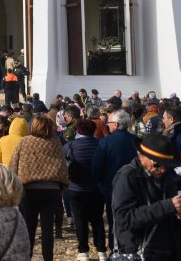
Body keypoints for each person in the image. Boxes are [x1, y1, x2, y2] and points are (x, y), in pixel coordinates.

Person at [111, 133, 181, 260]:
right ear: (141, 156)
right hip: (142, 251)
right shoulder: (127, 177)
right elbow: (124, 218)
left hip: (167, 250)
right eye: (157, 164)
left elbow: (172, 218)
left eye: (166, 165)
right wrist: (168, 206)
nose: (163, 169)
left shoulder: (167, 178)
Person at [9, 116, 68, 261]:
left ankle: (27, 257)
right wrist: (62, 185)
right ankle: (48, 259)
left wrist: (13, 187)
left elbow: (13, 164)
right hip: (52, 190)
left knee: (29, 227)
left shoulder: (25, 141)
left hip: (29, 190)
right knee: (48, 229)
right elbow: (62, 165)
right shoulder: (55, 143)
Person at [91, 109, 136, 250]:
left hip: (111, 188)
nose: (107, 126)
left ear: (115, 125)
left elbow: (97, 167)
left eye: (108, 123)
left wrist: (100, 182)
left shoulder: (106, 142)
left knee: (114, 221)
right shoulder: (136, 140)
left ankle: (115, 249)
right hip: (134, 186)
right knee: (135, 218)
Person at [63, 119, 106, 261]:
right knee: (97, 220)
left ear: (78, 130)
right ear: (93, 130)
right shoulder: (100, 144)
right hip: (96, 188)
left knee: (80, 220)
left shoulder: (71, 145)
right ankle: (101, 250)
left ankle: (83, 252)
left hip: (76, 188)